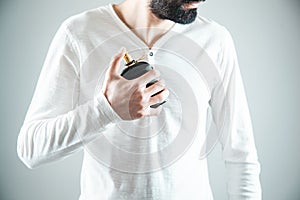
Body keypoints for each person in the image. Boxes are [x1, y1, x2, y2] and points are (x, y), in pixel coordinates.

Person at [17, 0, 262, 199]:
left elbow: (241, 154)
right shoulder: (80, 33)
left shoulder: (215, 40)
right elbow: (32, 149)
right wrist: (105, 110)